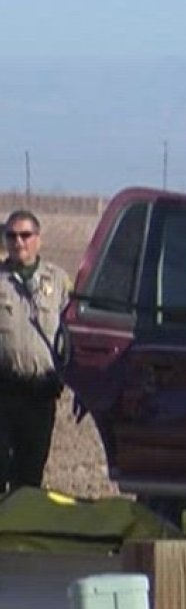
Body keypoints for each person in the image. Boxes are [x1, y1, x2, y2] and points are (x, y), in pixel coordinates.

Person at [0, 210, 72, 493]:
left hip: (40, 395)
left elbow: (71, 334)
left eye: (25, 235)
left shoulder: (58, 281)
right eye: (11, 236)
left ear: (38, 239)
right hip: (4, 391)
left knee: (29, 478)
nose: (18, 242)